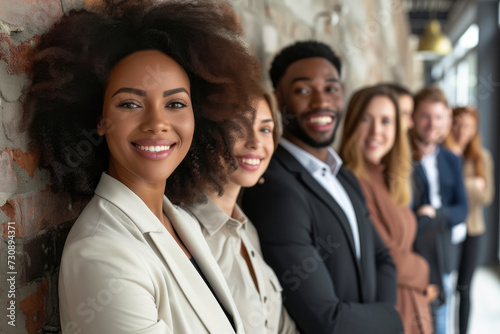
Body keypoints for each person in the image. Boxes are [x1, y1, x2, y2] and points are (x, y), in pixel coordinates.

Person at [24, 1, 262, 333]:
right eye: (130, 104)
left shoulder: (182, 223)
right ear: (99, 120)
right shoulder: (101, 253)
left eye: (176, 103)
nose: (157, 123)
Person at [241, 40, 404, 334]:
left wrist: (382, 314)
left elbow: (383, 257)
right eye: (303, 90)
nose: (321, 102)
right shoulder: (275, 187)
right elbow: (324, 320)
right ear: (278, 99)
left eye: (331, 88)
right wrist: (391, 320)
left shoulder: (344, 176)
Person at [184, 91, 298, 334]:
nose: (256, 142)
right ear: (206, 134)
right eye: (238, 127)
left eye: (265, 129)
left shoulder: (248, 229)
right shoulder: (184, 232)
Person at [339, 85, 434, 334]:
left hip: (413, 306)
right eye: (366, 119)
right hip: (391, 309)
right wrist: (424, 271)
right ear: (351, 124)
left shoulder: (387, 177)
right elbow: (386, 257)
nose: (376, 131)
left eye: (386, 121)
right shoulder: (350, 182)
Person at [409, 86, 468, 334]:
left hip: (443, 252)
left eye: (439, 117)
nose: (432, 124)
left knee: (442, 318)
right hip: (412, 254)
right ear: (412, 117)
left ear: (446, 119)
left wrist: (436, 215)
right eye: (425, 116)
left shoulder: (451, 159)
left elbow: (462, 209)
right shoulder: (400, 158)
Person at [444, 106, 495, 334]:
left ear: (475, 130)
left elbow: (487, 195)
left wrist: (460, 187)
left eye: (468, 126)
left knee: (463, 287)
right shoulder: (443, 154)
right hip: (445, 229)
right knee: (443, 285)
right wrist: (473, 184)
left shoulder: (481, 157)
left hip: (473, 229)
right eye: (458, 123)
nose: (462, 130)